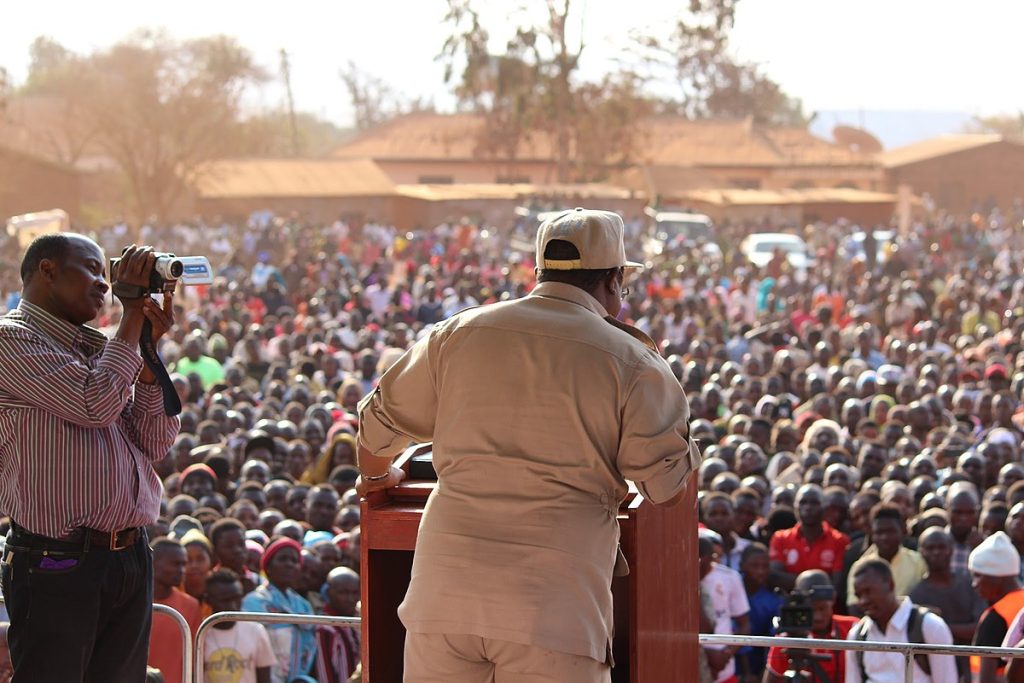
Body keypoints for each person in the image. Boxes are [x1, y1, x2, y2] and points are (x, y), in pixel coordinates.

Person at [357, 208, 698, 682]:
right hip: (555, 610)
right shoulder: (633, 360)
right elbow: (666, 489)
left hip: (443, 598)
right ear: (614, 280)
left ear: (539, 272)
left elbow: (374, 428)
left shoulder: (458, 333)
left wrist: (378, 477)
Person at [0, 237, 179, 680]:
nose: (105, 284)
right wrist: (131, 316)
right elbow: (93, 404)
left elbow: (154, 442)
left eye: (106, 273)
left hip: (130, 554)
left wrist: (147, 355)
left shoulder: (103, 348)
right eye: (92, 269)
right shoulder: (10, 338)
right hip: (58, 558)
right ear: (47, 270)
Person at [846, 558, 957, 683]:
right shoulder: (857, 635)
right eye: (858, 595)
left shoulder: (931, 626)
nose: (863, 601)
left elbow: (946, 679)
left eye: (868, 591)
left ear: (890, 585)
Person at [242, 537, 317, 683]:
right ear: (268, 567)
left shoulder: (304, 606)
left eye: (294, 561)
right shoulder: (253, 602)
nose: (289, 564)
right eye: (282, 559)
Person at [765, 569, 858, 683]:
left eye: (822, 608)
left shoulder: (854, 629)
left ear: (833, 599)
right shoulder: (786, 641)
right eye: (811, 610)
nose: (817, 617)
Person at [847, 504, 926, 615]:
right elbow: (854, 607)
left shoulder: (918, 562)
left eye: (890, 531)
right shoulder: (859, 567)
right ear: (872, 534)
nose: (884, 537)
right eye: (879, 532)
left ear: (902, 531)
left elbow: (926, 599)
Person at [769, 484, 850, 590]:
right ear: (795, 506)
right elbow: (775, 577)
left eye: (814, 503)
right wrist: (817, 583)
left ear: (824, 507)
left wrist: (793, 581)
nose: (808, 507)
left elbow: (835, 584)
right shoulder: (780, 538)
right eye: (803, 502)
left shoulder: (840, 540)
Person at [968, 531, 1024, 682]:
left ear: (997, 576)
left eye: (978, 575)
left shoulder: (995, 617)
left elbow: (986, 679)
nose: (974, 584)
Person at [203, 569, 275, 683]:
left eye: (237, 598)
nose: (233, 606)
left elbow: (264, 678)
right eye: (225, 601)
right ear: (208, 600)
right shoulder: (200, 632)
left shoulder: (256, 631)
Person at [149, 537, 202, 683]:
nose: (182, 570)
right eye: (175, 564)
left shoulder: (191, 605)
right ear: (153, 562)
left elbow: (195, 659)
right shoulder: (130, 603)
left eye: (184, 564)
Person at [699, 533, 751, 683]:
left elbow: (744, 625)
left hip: (725, 671)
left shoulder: (730, 577)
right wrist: (708, 656)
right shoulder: (678, 580)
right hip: (691, 666)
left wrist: (726, 654)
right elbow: (704, 628)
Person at [314, 566, 361, 683]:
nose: (350, 598)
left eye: (355, 593)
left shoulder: (355, 621)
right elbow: (324, 675)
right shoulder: (324, 628)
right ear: (328, 593)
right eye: (343, 593)